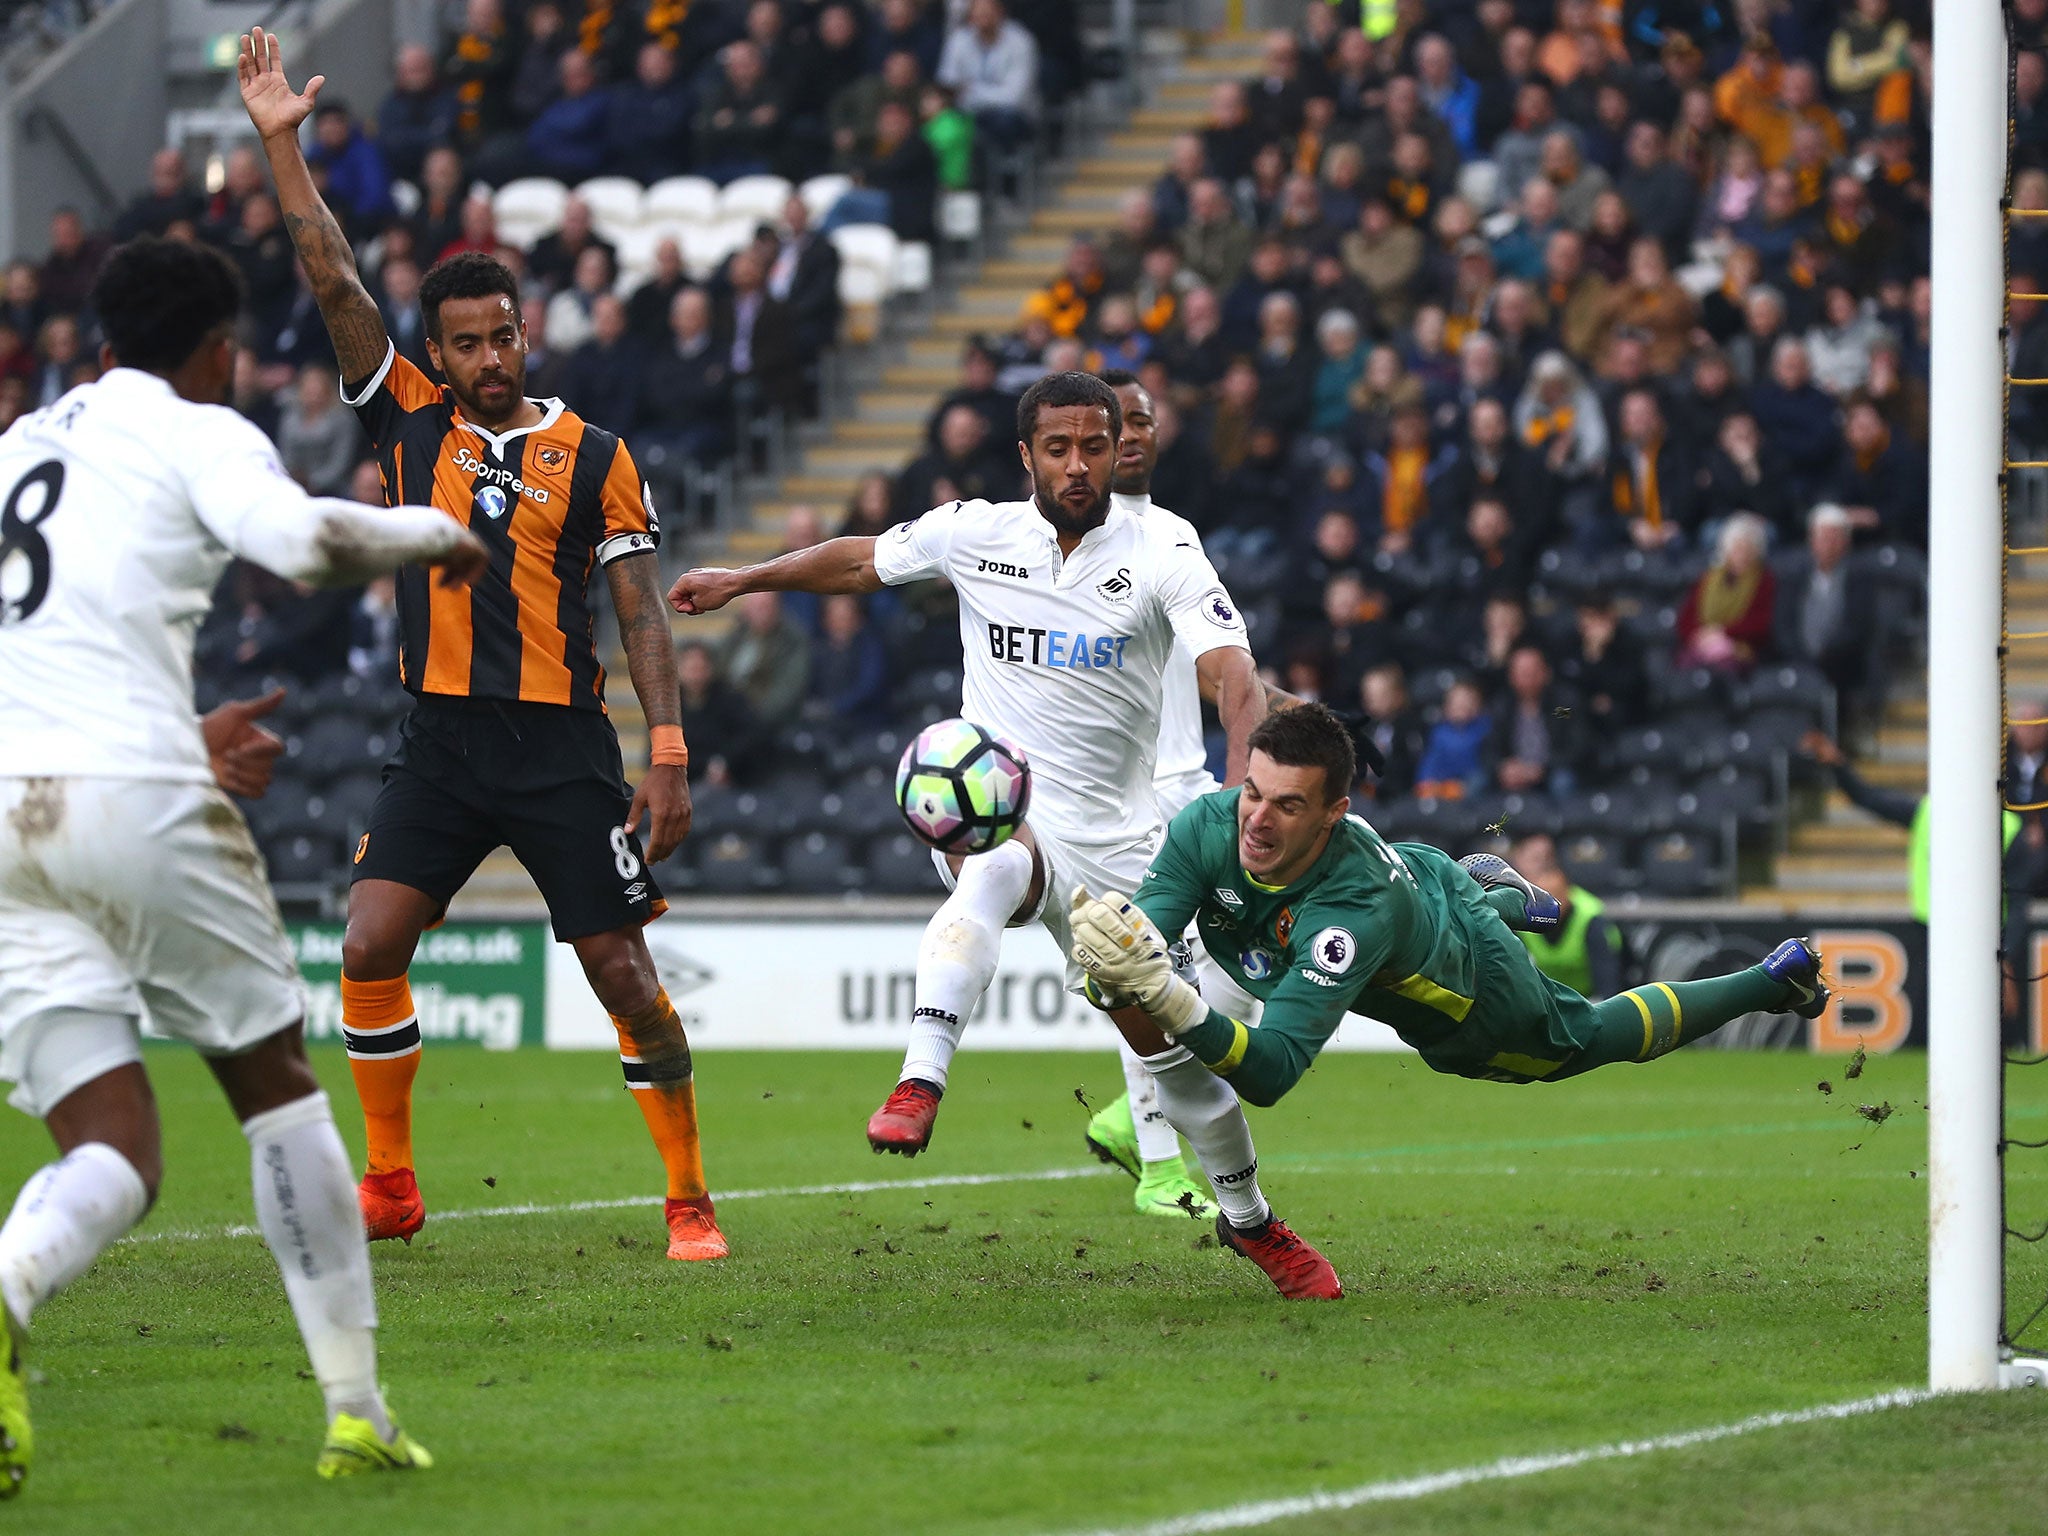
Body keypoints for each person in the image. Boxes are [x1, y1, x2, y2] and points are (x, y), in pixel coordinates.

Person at [668, 373, 1341, 1300]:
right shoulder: (977, 531)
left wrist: (1236, 794)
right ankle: (920, 1079)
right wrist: (747, 579)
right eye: (1058, 448)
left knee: (1175, 1070)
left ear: (1115, 451)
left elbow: (1232, 675)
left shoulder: (1161, 553)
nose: (1077, 464)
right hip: (1014, 806)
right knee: (988, 869)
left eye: (1094, 446)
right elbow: (865, 560)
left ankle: (1252, 1222)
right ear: (1026, 454)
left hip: (1129, 851)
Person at [0, 235, 490, 1491]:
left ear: (98, 335)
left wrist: (170, 732)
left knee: (111, 1142)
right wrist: (427, 534)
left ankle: (8, 1282)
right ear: (217, 348)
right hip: (135, 796)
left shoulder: (15, 451)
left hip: (11, 815)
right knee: (274, 1085)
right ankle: (355, 1408)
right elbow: (307, 546)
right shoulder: (195, 426)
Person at [241, 28, 724, 1264]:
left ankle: (687, 1198)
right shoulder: (406, 415)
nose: (489, 359)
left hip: (563, 747)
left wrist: (663, 748)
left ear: (525, 330)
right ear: (437, 352)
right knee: (366, 945)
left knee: (620, 972)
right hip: (441, 742)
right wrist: (282, 148)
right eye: (465, 343)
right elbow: (333, 279)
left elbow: (637, 611)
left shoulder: (599, 454)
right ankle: (392, 1183)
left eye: (503, 335)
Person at [1068, 705, 1830, 1120]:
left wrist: (1168, 994)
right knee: (1437, 895)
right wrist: (1111, 958)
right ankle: (1493, 892)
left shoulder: (1347, 917)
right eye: (1253, 793)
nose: (1257, 820)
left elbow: (1269, 1075)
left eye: (1287, 806)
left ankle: (1773, 978)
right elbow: (1146, 930)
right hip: (1424, 875)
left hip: (1471, 991)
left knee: (1586, 1040)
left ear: (1332, 814)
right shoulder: (1209, 824)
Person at [1504, 835, 1625, 999]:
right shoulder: (1523, 913)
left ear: (1568, 893)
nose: (1550, 908)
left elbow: (1609, 980)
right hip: (1543, 1000)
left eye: (1556, 898)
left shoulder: (1590, 917)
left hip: (1588, 999)